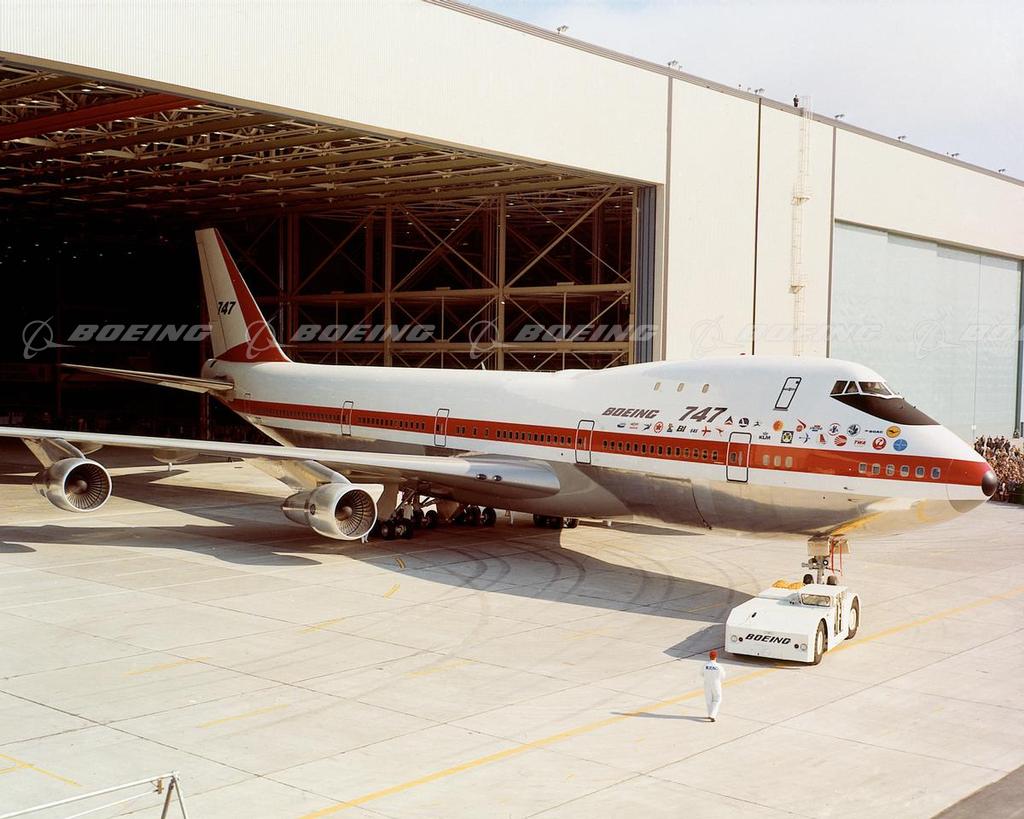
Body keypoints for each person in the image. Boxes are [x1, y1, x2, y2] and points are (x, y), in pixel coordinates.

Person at [701, 650, 726, 722]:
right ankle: (713, 715)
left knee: (708, 699)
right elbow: (723, 676)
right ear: (716, 657)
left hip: (707, 684)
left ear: (709, 656)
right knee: (717, 699)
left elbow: (701, 674)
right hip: (716, 684)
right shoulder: (719, 666)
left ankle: (709, 714)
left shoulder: (705, 665)